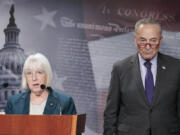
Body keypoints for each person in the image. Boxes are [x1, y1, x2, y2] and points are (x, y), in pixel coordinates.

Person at [103, 18, 180, 135]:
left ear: (160, 40)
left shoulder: (176, 67)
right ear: (135, 40)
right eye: (143, 40)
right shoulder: (120, 68)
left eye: (153, 40)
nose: (147, 46)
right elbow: (111, 113)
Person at [5, 53, 77, 115]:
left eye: (39, 72)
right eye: (29, 73)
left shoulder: (64, 102)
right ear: (25, 77)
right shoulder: (13, 102)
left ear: (47, 75)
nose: (34, 78)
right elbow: (6, 130)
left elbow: (72, 130)